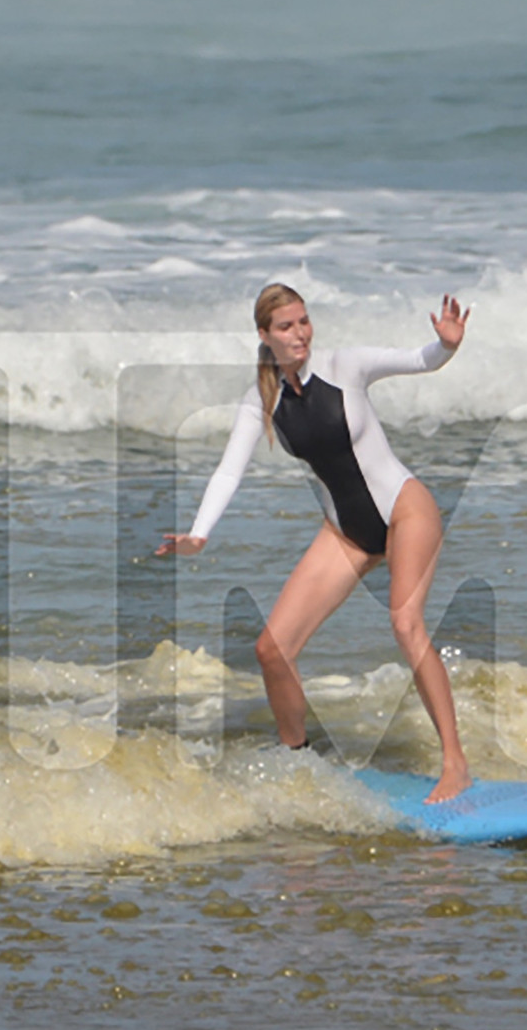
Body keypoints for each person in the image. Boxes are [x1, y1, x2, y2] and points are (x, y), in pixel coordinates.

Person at [155, 283, 472, 802]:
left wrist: (447, 346)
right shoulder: (260, 400)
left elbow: (420, 358)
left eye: (303, 321)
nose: (299, 333)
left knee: (405, 623)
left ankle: (455, 764)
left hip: (406, 511)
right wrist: (198, 534)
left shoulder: (345, 365)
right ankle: (299, 764)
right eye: (286, 326)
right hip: (346, 533)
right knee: (272, 649)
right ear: (264, 335)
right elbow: (229, 470)